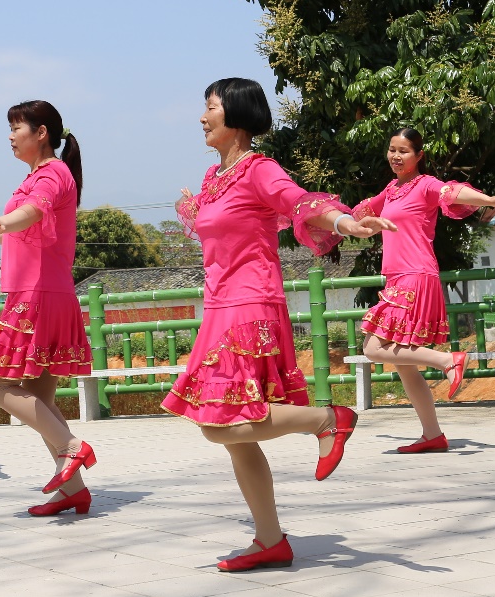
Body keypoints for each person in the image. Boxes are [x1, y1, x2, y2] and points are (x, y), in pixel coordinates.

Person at [163, 78, 396, 571]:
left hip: (250, 303)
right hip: (219, 304)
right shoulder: (214, 177)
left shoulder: (260, 169)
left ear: (237, 115)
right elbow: (216, 225)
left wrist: (346, 222)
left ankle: (329, 420)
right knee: (231, 430)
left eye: (210, 107)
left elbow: (298, 201)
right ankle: (269, 539)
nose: (202, 117)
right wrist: (192, 208)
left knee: (228, 422)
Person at [354, 129, 495, 453]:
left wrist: (488, 201)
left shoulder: (426, 185)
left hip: (415, 276)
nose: (395, 156)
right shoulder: (391, 190)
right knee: (404, 365)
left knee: (372, 348)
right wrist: (333, 220)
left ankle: (448, 360)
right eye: (392, 150)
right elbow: (360, 215)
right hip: (397, 277)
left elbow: (454, 191)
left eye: (403, 151)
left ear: (419, 156)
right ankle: (432, 434)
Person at [0, 100, 95, 516]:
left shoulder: (52, 173)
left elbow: (34, 210)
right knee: (41, 397)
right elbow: (30, 221)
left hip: (36, 296)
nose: (9, 135)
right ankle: (73, 489)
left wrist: (4, 224)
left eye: (16, 127)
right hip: (45, 291)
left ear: (41, 133)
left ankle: (72, 448)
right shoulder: (37, 176)